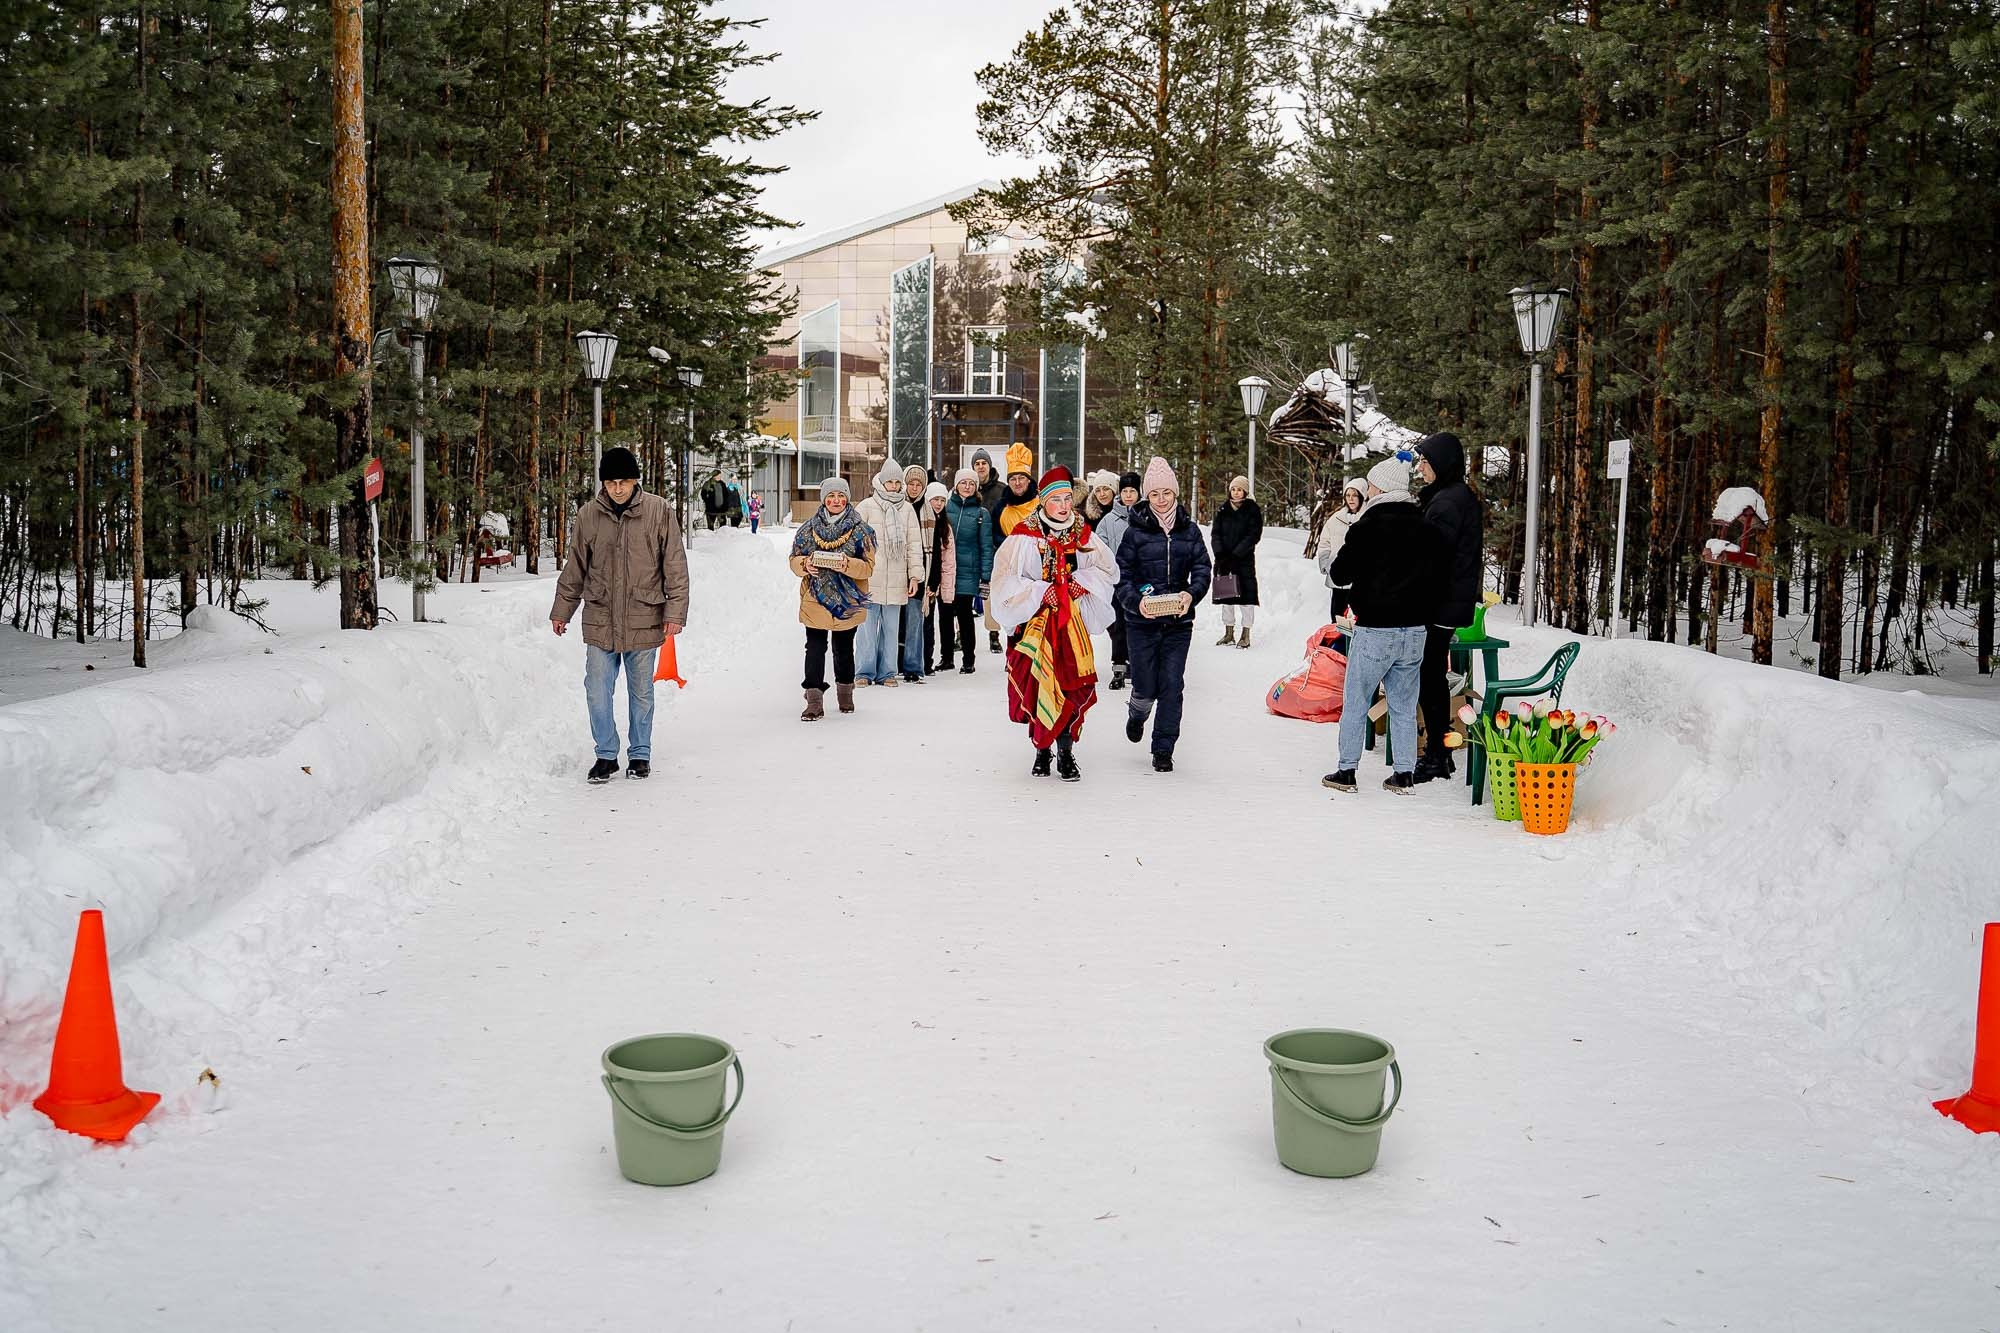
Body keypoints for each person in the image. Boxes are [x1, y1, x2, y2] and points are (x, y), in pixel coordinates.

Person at [549, 446, 690, 783]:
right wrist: (562, 610)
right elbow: (576, 568)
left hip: (644, 615)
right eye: (611, 482)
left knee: (641, 690)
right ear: (603, 484)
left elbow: (675, 565)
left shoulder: (658, 511)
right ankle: (606, 754)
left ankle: (640, 753)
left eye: (624, 481)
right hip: (600, 617)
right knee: (597, 688)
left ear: (634, 481)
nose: (617, 488)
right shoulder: (588, 516)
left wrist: (675, 612)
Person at [1323, 456, 1444, 796]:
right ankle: (1403, 775)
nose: (1368, 489)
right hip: (1416, 630)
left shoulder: (1366, 527)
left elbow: (1339, 574)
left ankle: (1347, 771)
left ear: (1381, 488)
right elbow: (1439, 579)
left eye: (1372, 484)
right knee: (1405, 705)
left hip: (1376, 629)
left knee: (1357, 700)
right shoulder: (1427, 528)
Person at [991, 467, 1118, 781]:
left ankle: (1065, 751)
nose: (1063, 505)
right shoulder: (1023, 534)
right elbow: (1004, 580)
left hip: (1068, 624)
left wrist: (1082, 582)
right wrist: (1038, 591)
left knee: (1069, 682)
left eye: (1067, 499)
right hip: (1032, 625)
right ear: (1043, 501)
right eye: (1056, 500)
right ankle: (1041, 750)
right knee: (1038, 683)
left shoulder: (1082, 532)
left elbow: (1107, 569)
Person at [1115, 456, 1212, 773]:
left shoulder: (1190, 531)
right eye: (1154, 494)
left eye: (1166, 493)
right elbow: (1122, 576)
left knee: (1172, 683)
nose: (1160, 500)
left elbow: (1201, 569)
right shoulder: (1134, 532)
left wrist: (1190, 593)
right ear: (1146, 496)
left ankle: (1163, 749)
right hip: (1141, 622)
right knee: (1145, 684)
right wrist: (1138, 601)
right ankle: (1138, 712)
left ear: (1175, 494)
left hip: (1177, 623)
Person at [1415, 431, 1482, 784]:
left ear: (1440, 463)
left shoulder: (1446, 503)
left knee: (1430, 677)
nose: (1421, 467)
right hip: (1446, 600)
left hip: (1440, 603)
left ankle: (1438, 754)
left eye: (1425, 461)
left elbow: (1434, 557)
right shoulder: (1452, 496)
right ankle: (1441, 750)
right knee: (1432, 675)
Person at [788, 476, 876, 720]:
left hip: (847, 600)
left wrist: (846, 564)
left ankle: (845, 696)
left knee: (844, 649)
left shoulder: (861, 531)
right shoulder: (807, 529)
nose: (836, 500)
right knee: (814, 648)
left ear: (847, 498)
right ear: (824, 499)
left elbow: (868, 568)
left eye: (840, 496)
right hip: (815, 598)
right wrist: (805, 564)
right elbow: (793, 561)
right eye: (831, 496)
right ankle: (814, 701)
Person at [854, 459, 924, 687]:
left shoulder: (906, 510)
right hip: (870, 579)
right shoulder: (865, 507)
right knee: (866, 628)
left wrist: (915, 575)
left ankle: (887, 673)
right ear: (881, 482)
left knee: (891, 629)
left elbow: (915, 545)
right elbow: (853, 542)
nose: (893, 486)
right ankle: (864, 671)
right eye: (889, 482)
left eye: (897, 482)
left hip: (896, 579)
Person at [987, 444, 1040, 653]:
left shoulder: (1040, 505)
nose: (1017, 483)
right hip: (1010, 575)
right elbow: (995, 537)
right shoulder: (1001, 507)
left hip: (1037, 575)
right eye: (1013, 479)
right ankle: (1015, 661)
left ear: (1028, 479)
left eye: (1021, 478)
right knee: (1015, 622)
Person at [942, 468, 996, 673]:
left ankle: (968, 660)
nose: (967, 486)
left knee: (964, 615)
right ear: (956, 485)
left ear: (976, 487)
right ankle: (946, 657)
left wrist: (985, 574)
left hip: (968, 570)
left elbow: (986, 546)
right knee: (946, 614)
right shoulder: (946, 509)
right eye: (963, 483)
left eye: (971, 484)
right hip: (947, 571)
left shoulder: (981, 514)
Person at [1091, 471, 1137, 690]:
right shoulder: (1108, 520)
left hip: (1140, 580)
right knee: (1118, 624)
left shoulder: (1146, 516)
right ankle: (1119, 666)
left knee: (1137, 623)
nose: (1128, 495)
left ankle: (1137, 666)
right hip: (1116, 580)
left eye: (1132, 491)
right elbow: (1100, 547)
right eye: (1125, 491)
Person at [1210, 475, 1263, 648]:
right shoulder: (1223, 509)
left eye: (1239, 489)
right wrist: (1219, 553)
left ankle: (1245, 633)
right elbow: (1215, 533)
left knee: (1246, 599)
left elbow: (1253, 535)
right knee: (1226, 596)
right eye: (1233, 489)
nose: (1236, 492)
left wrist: (1236, 554)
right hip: (1224, 560)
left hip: (1243, 561)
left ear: (1245, 491)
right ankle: (1229, 632)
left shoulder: (1252, 510)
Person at [918, 481, 956, 675]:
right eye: (935, 500)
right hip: (925, 580)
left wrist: (944, 585)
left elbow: (949, 560)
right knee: (926, 621)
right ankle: (924, 660)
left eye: (942, 500)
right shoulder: (921, 522)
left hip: (940, 580)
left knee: (942, 620)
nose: (939, 504)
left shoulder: (945, 527)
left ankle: (942, 658)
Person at [1316, 480, 1366, 621]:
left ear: (1362, 496)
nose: (1350, 499)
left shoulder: (1368, 517)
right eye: (1348, 495)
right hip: (1337, 576)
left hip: (1359, 581)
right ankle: (1337, 641)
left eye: (1354, 495)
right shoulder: (1335, 518)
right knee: (1337, 616)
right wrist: (1325, 563)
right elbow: (1324, 542)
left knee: (1356, 617)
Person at [970, 448, 1005, 513]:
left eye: (984, 463)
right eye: (977, 464)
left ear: (989, 466)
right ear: (973, 468)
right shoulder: (968, 490)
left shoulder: (1003, 489)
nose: (981, 467)